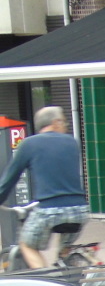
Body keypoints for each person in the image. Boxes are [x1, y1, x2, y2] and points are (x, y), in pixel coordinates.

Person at [0, 106, 90, 269]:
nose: (66, 125)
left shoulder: (29, 144)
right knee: (64, 253)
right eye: (63, 121)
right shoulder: (72, 142)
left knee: (27, 245)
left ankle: (47, 281)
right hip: (80, 210)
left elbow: (10, 178)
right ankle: (67, 271)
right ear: (55, 123)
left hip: (50, 210)